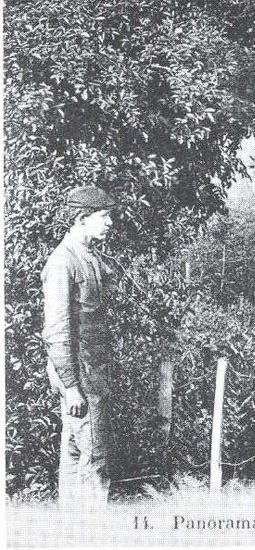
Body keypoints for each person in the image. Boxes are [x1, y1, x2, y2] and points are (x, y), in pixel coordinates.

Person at [41, 186, 118, 507]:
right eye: (104, 216)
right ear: (82, 218)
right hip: (81, 378)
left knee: (75, 454)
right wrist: (71, 387)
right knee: (96, 460)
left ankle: (68, 530)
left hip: (93, 374)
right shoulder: (64, 262)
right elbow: (57, 331)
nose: (110, 223)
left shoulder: (90, 257)